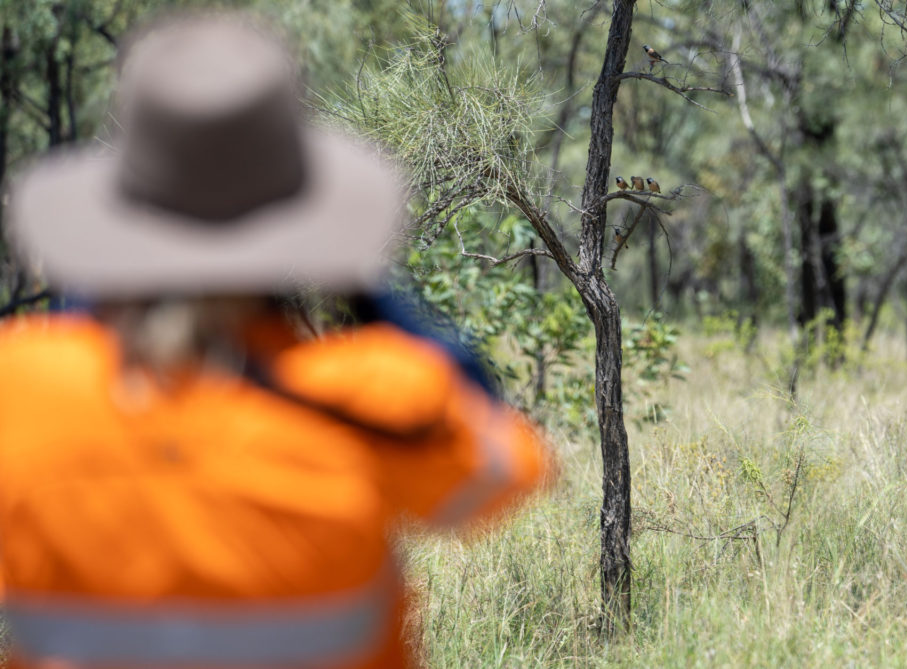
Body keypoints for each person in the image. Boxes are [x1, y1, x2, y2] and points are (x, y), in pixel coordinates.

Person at [0, 12, 550, 669]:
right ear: (304, 226)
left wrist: (102, 285)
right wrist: (369, 292)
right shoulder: (371, 397)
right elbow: (509, 466)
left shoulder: (23, 386)